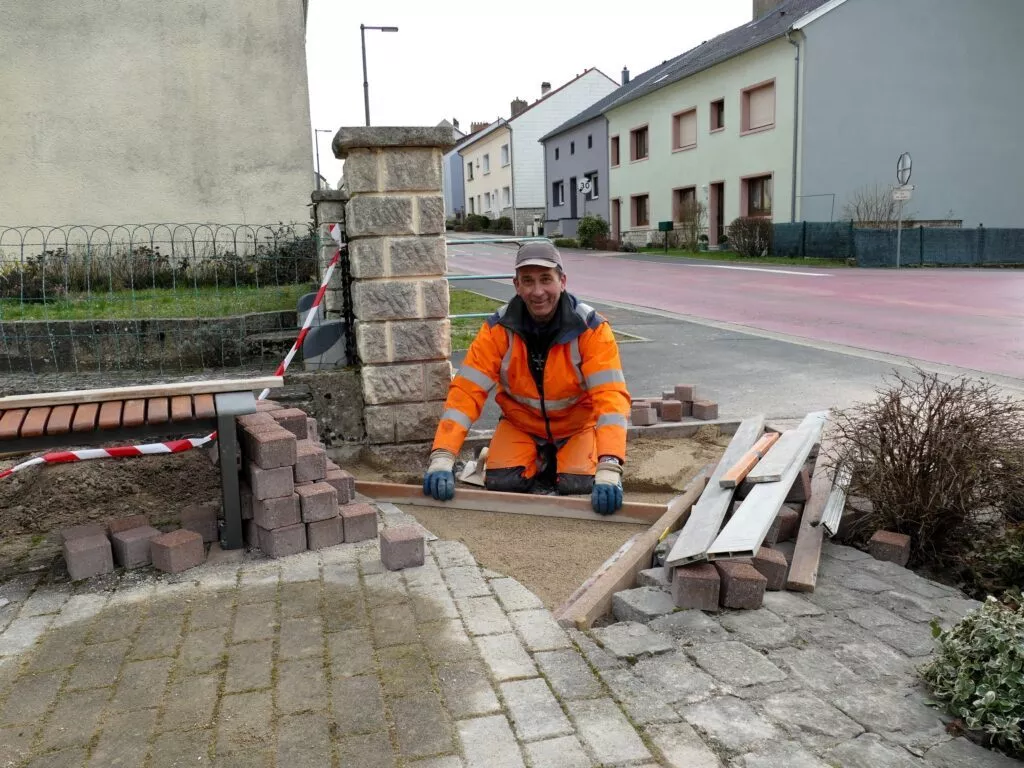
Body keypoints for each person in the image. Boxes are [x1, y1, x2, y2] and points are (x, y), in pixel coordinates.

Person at [423, 240, 631, 514]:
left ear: (562, 281)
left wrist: (609, 464)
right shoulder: (498, 329)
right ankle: (538, 459)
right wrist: (442, 455)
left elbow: (611, 397)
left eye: (546, 279)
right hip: (522, 425)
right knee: (502, 481)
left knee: (579, 484)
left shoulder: (591, 329)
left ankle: (559, 461)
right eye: (528, 281)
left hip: (576, 427)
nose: (538, 291)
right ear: (516, 285)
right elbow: (466, 392)